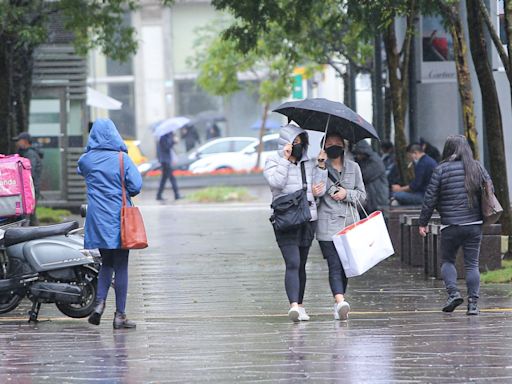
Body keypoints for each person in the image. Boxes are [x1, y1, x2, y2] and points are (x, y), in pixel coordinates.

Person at [78, 118, 142, 329]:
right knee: (121, 265)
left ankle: (99, 303)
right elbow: (136, 185)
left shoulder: (86, 160)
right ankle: (120, 315)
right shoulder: (122, 158)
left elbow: (83, 171)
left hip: (97, 219)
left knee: (106, 262)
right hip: (119, 218)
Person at [418, 135, 490, 316]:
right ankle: (473, 304)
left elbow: (430, 198)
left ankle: (453, 294)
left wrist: (423, 223)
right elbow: (490, 191)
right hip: (474, 224)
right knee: (472, 264)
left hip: (450, 224)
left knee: (448, 260)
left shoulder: (440, 170)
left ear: (447, 149)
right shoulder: (477, 167)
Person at [264, 124, 327, 322]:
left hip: (308, 218)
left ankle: (300, 305)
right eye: (295, 142)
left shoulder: (309, 162)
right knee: (293, 262)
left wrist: (322, 168)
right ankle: (293, 305)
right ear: (286, 143)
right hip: (285, 219)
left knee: (302, 264)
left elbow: (319, 189)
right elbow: (276, 183)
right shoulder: (273, 160)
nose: (298, 146)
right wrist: (284, 160)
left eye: (302, 142)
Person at [316, 132, 366, 321]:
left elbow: (362, 195)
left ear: (344, 146)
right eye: (329, 143)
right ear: (323, 148)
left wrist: (347, 194)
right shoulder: (318, 168)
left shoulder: (354, 167)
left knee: (345, 267)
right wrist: (320, 166)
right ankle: (340, 300)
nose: (334, 146)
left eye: (337, 143)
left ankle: (339, 303)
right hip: (327, 226)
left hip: (349, 226)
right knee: (335, 264)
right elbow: (315, 193)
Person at [13, 132, 43, 226]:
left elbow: (30, 172)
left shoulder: (30, 154)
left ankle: (32, 235)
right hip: (30, 188)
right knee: (30, 214)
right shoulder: (26, 153)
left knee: (28, 214)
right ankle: (37, 234)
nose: (17, 143)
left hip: (30, 189)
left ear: (25, 141)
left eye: (19, 140)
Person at [352, 140, 389, 214]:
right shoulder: (364, 161)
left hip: (378, 199)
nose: (358, 156)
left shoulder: (375, 161)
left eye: (359, 154)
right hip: (371, 198)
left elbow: (364, 176)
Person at [156, 131, 181, 201]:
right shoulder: (163, 137)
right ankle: (176, 195)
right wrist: (173, 141)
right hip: (165, 161)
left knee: (164, 179)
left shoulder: (167, 136)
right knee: (172, 178)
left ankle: (158, 195)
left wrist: (173, 139)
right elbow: (166, 147)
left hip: (166, 160)